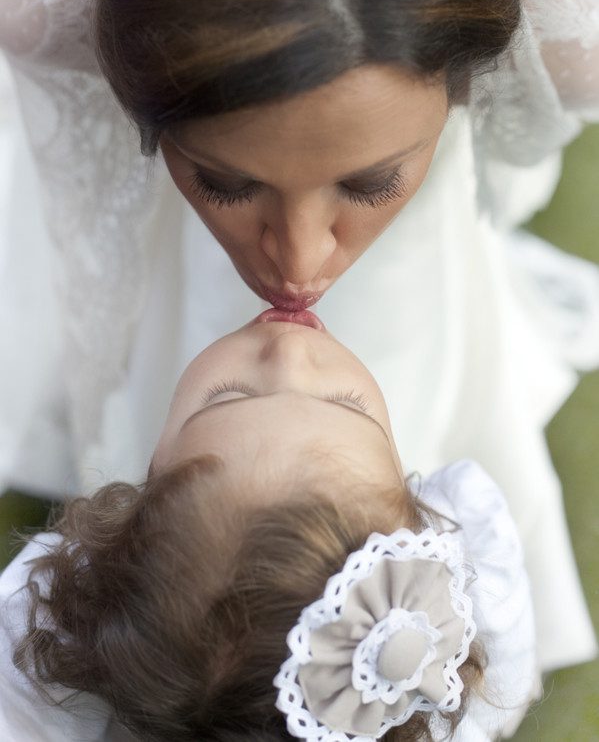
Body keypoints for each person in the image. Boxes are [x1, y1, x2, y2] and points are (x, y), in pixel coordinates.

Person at [0, 0, 597, 672]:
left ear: (466, 80)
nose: (298, 266)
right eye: (224, 181)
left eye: (367, 183)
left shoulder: (578, 25)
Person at [0, 310, 537, 742]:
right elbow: (503, 670)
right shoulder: (478, 580)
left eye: (230, 396)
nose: (289, 350)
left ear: (147, 487)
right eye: (349, 407)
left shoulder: (54, 623)